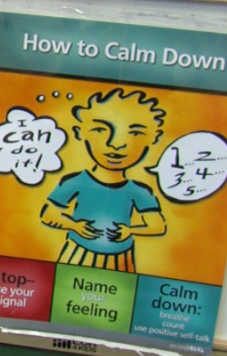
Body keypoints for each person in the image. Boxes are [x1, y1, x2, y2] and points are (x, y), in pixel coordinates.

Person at [40, 87, 167, 272]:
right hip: (77, 253)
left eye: (135, 133)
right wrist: (74, 226)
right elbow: (48, 214)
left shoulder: (140, 191)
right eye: (100, 129)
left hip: (121, 260)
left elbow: (158, 225)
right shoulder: (75, 181)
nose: (116, 144)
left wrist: (131, 231)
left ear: (153, 139)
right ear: (80, 132)